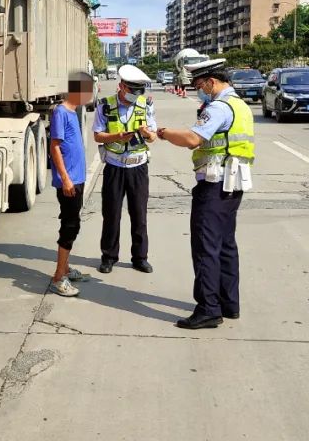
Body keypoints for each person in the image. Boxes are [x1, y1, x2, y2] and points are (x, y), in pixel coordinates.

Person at [155, 58, 255, 329]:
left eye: (199, 85)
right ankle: (227, 303)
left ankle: (209, 309)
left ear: (211, 82)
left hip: (214, 185)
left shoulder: (219, 108)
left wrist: (162, 133)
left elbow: (192, 139)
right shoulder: (240, 105)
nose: (198, 90)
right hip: (232, 184)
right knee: (225, 245)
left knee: (205, 247)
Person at [93, 64, 157, 274]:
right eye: (131, 91)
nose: (135, 96)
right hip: (114, 167)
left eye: (139, 92)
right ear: (121, 86)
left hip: (138, 167)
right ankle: (109, 256)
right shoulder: (105, 105)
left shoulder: (145, 105)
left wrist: (147, 133)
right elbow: (97, 136)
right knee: (111, 214)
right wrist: (118, 137)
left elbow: (154, 137)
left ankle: (140, 257)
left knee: (139, 214)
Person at [48, 72, 95, 297]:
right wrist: (65, 178)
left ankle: (65, 267)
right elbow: (55, 146)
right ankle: (59, 276)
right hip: (69, 181)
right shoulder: (60, 112)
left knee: (72, 222)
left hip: (77, 179)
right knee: (70, 225)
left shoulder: (73, 111)